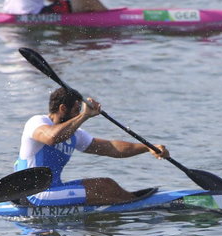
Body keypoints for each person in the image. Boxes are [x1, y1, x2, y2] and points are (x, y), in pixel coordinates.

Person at [17, 87, 169, 206]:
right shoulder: (37, 122)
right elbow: (52, 138)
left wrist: (147, 147)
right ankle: (141, 208)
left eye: (80, 112)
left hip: (53, 190)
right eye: (77, 110)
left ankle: (132, 202)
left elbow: (111, 148)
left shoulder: (75, 134)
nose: (79, 114)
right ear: (63, 108)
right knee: (103, 187)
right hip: (33, 193)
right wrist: (84, 116)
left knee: (108, 184)